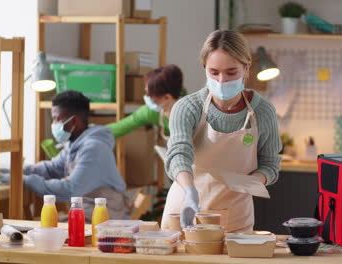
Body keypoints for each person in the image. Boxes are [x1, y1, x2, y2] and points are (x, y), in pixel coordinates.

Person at [163, 30, 282, 233]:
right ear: (204, 68)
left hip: (235, 218)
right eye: (214, 72)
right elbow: (178, 154)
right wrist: (190, 191)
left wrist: (254, 181)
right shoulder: (187, 108)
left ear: (246, 68)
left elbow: (270, 164)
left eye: (231, 72)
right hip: (186, 211)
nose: (221, 80)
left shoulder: (263, 111)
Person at [23, 91, 128, 221]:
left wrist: (27, 181)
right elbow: (53, 168)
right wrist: (19, 170)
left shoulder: (93, 148)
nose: (54, 124)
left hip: (106, 215)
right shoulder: (74, 143)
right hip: (87, 209)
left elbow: (69, 189)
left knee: (43, 229)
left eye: (57, 119)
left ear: (74, 120)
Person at [107, 64, 184, 142]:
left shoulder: (187, 114)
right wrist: (95, 131)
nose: (147, 98)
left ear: (167, 97)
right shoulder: (151, 112)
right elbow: (120, 127)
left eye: (149, 94)